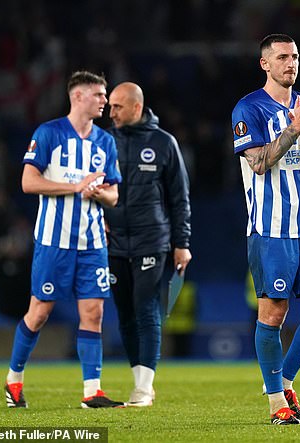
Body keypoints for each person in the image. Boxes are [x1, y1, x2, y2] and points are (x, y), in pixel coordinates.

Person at [231, 34, 300, 425]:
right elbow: (259, 162)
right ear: (265, 63)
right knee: (274, 313)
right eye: (282, 57)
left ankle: (285, 378)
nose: (290, 63)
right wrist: (294, 129)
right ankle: (277, 401)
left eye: (294, 56)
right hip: (272, 227)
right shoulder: (249, 108)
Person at [5, 71, 124, 409]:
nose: (105, 101)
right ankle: (14, 379)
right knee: (40, 312)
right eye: (99, 95)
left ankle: (92, 391)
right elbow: (29, 182)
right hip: (53, 241)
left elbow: (115, 196)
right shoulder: (49, 133)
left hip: (93, 243)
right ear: (77, 97)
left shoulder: (105, 142)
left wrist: (98, 192)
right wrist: (75, 186)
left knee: (94, 313)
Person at [105, 82, 192, 407]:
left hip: (151, 240)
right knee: (124, 313)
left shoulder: (163, 143)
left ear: (136, 108)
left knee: (145, 308)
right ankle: (139, 381)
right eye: (110, 106)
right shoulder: (104, 141)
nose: (110, 113)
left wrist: (182, 243)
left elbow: (179, 198)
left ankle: (144, 387)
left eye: (117, 107)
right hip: (112, 242)